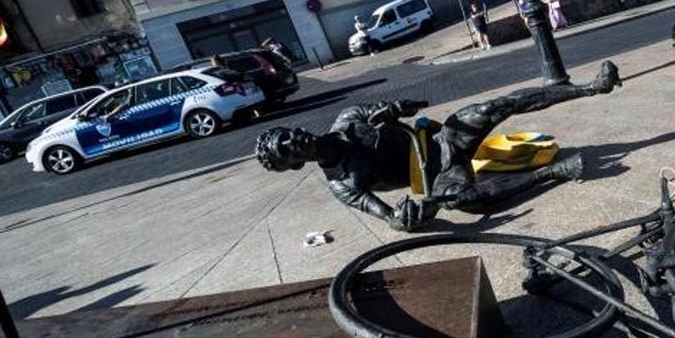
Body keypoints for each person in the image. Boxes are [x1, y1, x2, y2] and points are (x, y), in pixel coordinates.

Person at [254, 60, 622, 231]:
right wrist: (413, 216)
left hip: (441, 139)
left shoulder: (351, 118)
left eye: (287, 134)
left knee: (491, 107)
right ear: (295, 165)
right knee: (466, 202)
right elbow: (393, 221)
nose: (293, 140)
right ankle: (554, 171)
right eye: (287, 149)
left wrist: (398, 108)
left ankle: (592, 87)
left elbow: (417, 106)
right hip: (439, 178)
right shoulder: (343, 185)